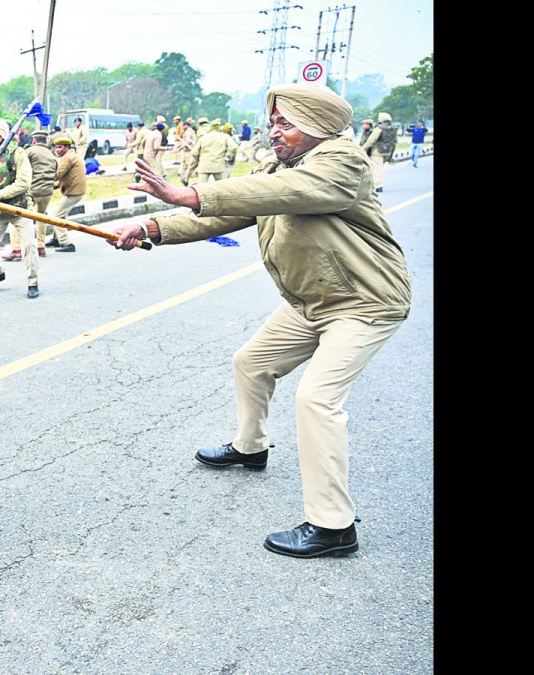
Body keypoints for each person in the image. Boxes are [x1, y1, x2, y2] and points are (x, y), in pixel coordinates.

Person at [111, 83, 411, 559]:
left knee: (316, 400)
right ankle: (250, 448)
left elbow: (281, 192)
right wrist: (151, 227)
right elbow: (225, 214)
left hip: (362, 303)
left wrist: (190, 192)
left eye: (285, 124)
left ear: (317, 127)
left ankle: (333, 526)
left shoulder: (342, 162)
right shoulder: (281, 167)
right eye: (272, 123)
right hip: (311, 301)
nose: (273, 132)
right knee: (251, 364)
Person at [0, 118, 39, 298]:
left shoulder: (17, 154)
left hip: (20, 208)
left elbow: (23, 183)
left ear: (6, 137)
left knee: (29, 245)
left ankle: (32, 282)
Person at [6, 130, 57, 261]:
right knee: (42, 217)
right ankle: (41, 246)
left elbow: (18, 167)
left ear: (34, 140)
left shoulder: (29, 151)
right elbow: (56, 174)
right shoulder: (51, 154)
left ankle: (16, 249)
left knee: (16, 216)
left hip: (32, 190)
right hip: (47, 191)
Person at [48, 135, 86, 253]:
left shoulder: (67, 157)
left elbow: (58, 174)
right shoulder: (72, 155)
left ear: (67, 147)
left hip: (73, 192)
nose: (57, 150)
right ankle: (56, 239)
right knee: (60, 214)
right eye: (56, 147)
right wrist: (52, 186)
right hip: (75, 191)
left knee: (57, 216)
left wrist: (43, 178)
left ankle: (66, 243)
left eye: (60, 147)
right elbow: (63, 177)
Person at [360, 112, 395, 193]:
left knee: (376, 169)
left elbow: (371, 140)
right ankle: (379, 184)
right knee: (380, 168)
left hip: (377, 152)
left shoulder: (379, 128)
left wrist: (362, 149)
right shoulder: (393, 128)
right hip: (387, 151)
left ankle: (378, 185)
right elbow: (395, 141)